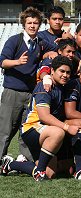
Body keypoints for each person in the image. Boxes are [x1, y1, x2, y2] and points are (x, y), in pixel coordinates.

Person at [1, 56, 81, 181]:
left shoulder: (61, 86)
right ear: (52, 71)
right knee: (58, 132)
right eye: (62, 71)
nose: (65, 75)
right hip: (31, 128)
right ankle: (39, 173)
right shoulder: (45, 87)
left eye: (68, 72)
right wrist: (67, 127)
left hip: (46, 130)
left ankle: (11, 164)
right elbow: (44, 116)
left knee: (50, 174)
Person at [0, 7, 56, 160]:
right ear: (23, 24)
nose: (32, 26)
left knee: (26, 128)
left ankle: (24, 160)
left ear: (40, 25)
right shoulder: (15, 40)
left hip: (31, 93)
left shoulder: (40, 43)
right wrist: (17, 62)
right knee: (6, 129)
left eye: (36, 23)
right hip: (13, 91)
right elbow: (2, 61)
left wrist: (50, 52)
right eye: (29, 22)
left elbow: (57, 49)